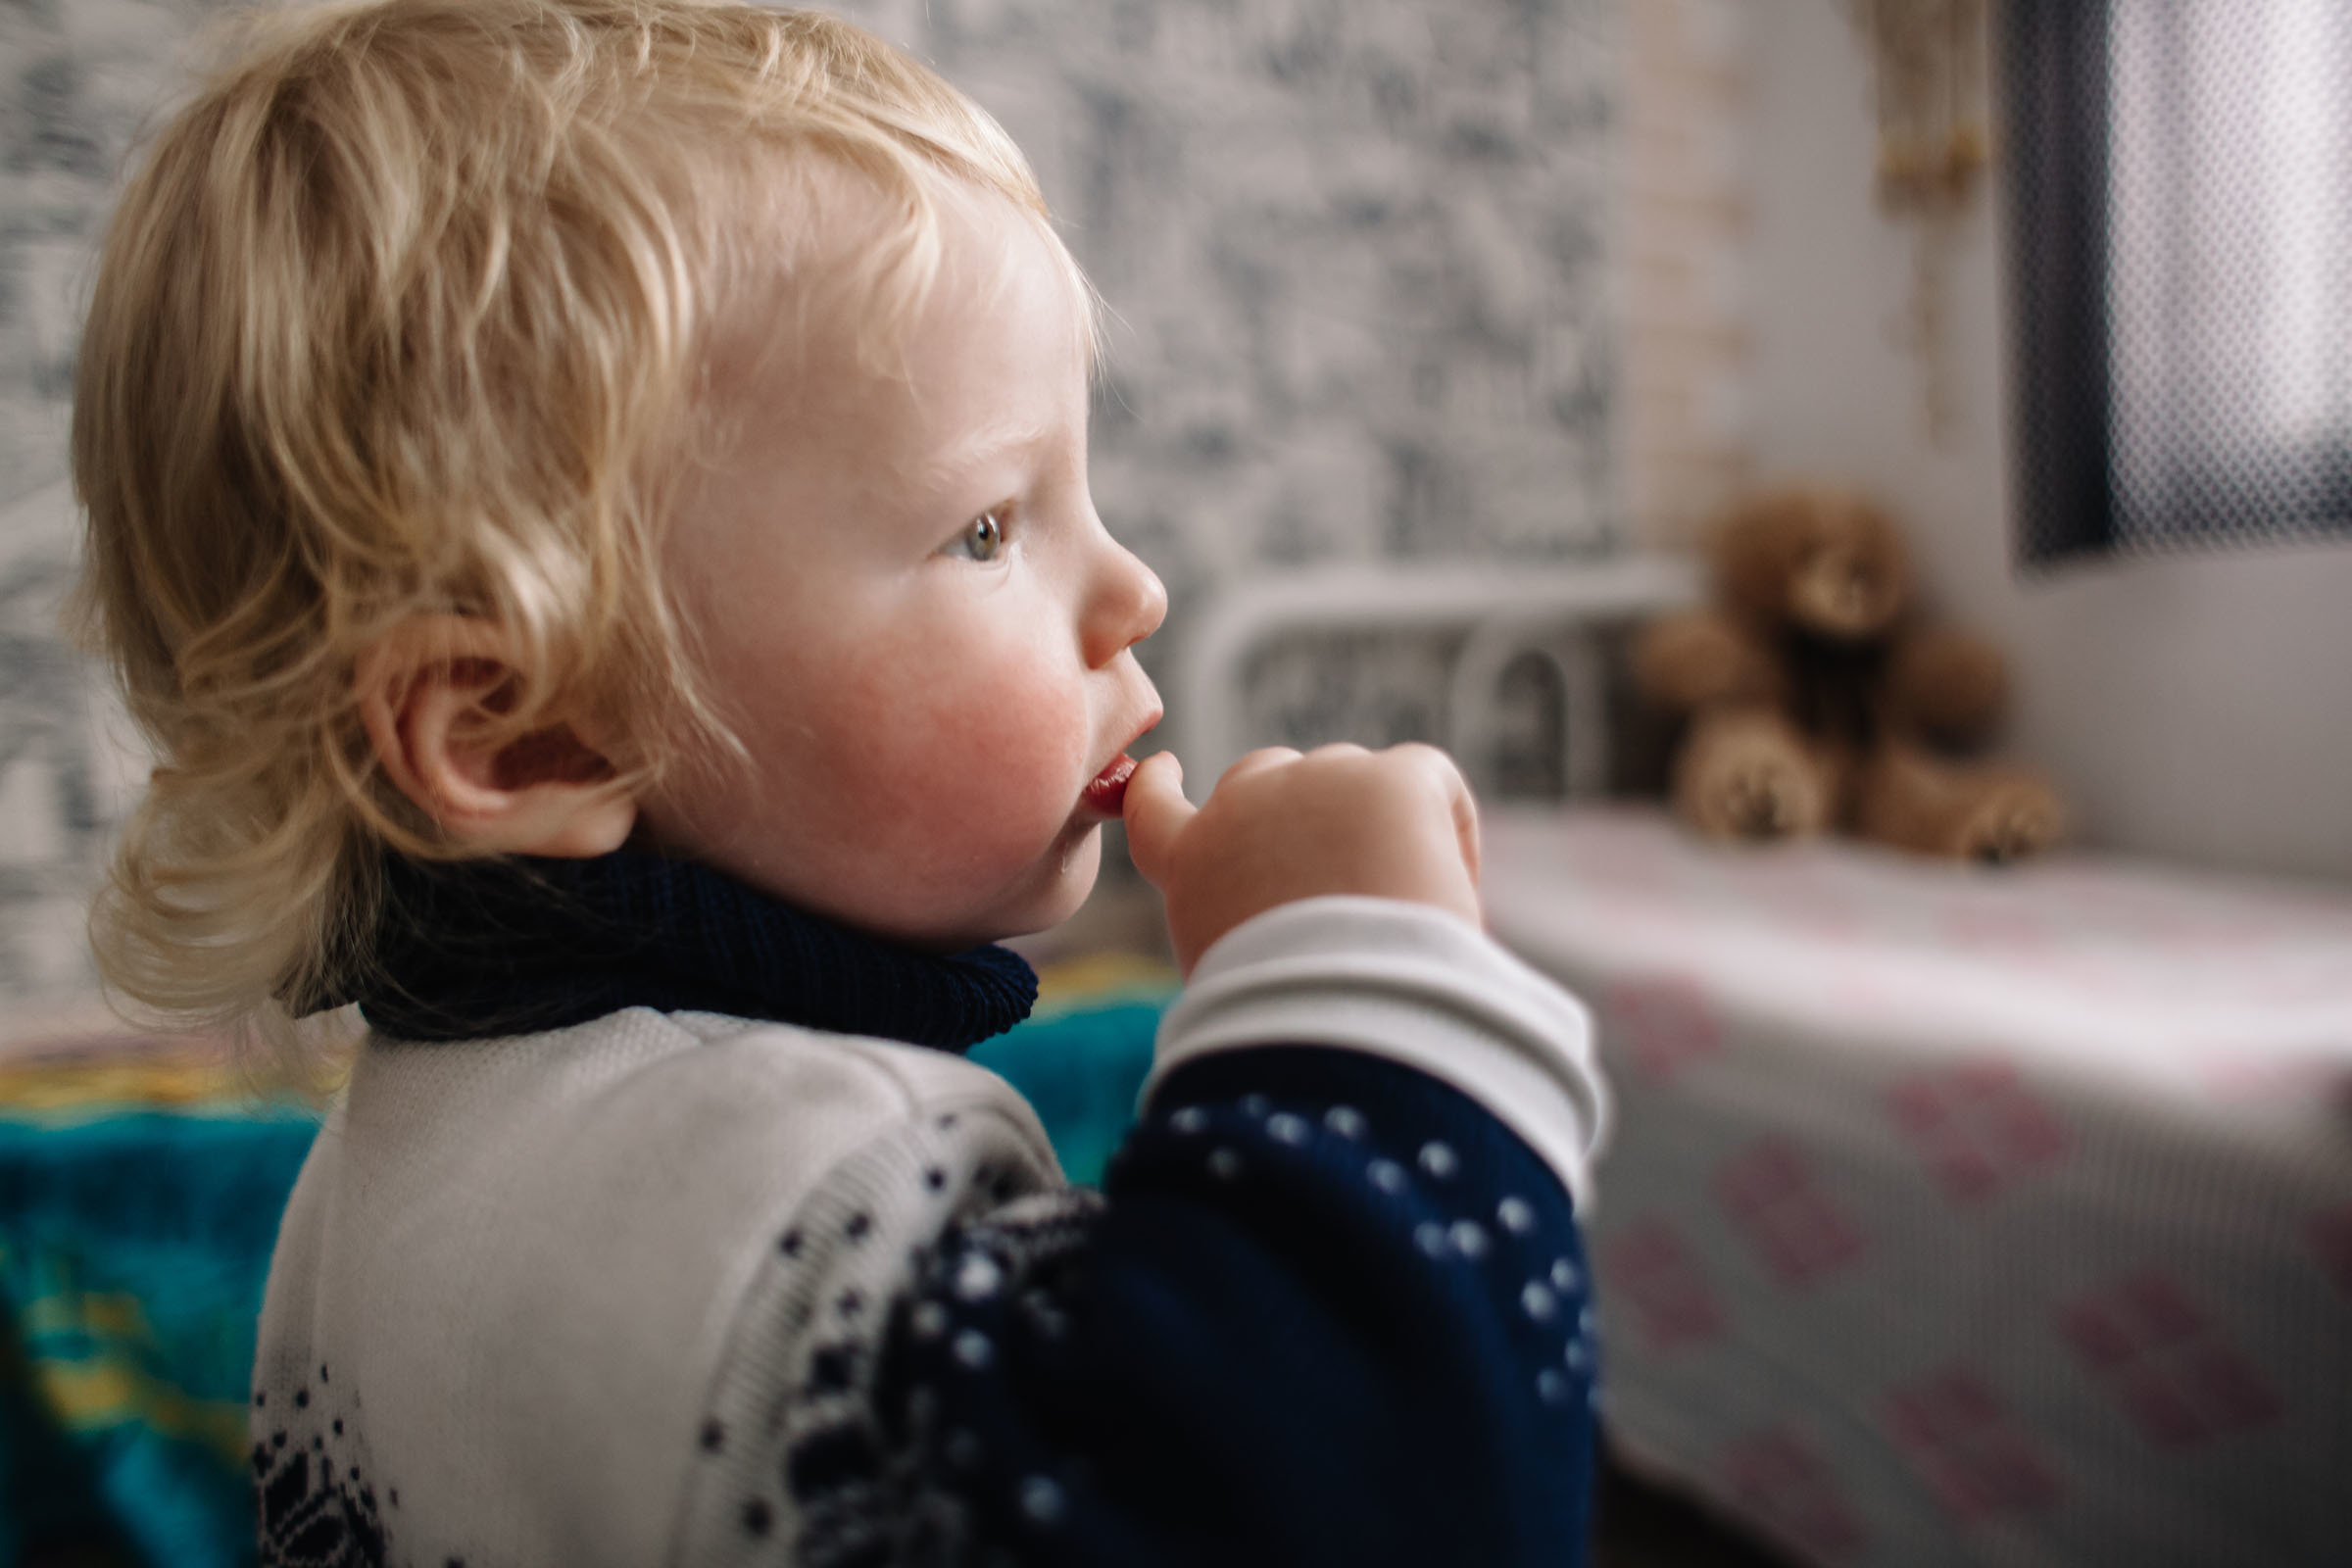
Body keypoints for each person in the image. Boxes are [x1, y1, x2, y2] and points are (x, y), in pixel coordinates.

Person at [71, 2, 1610, 1562]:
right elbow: (1395, 1501)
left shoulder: (376, 1176)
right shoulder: (799, 1216)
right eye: (990, 528)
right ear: (532, 736)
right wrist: (1361, 993)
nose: (1134, 588)